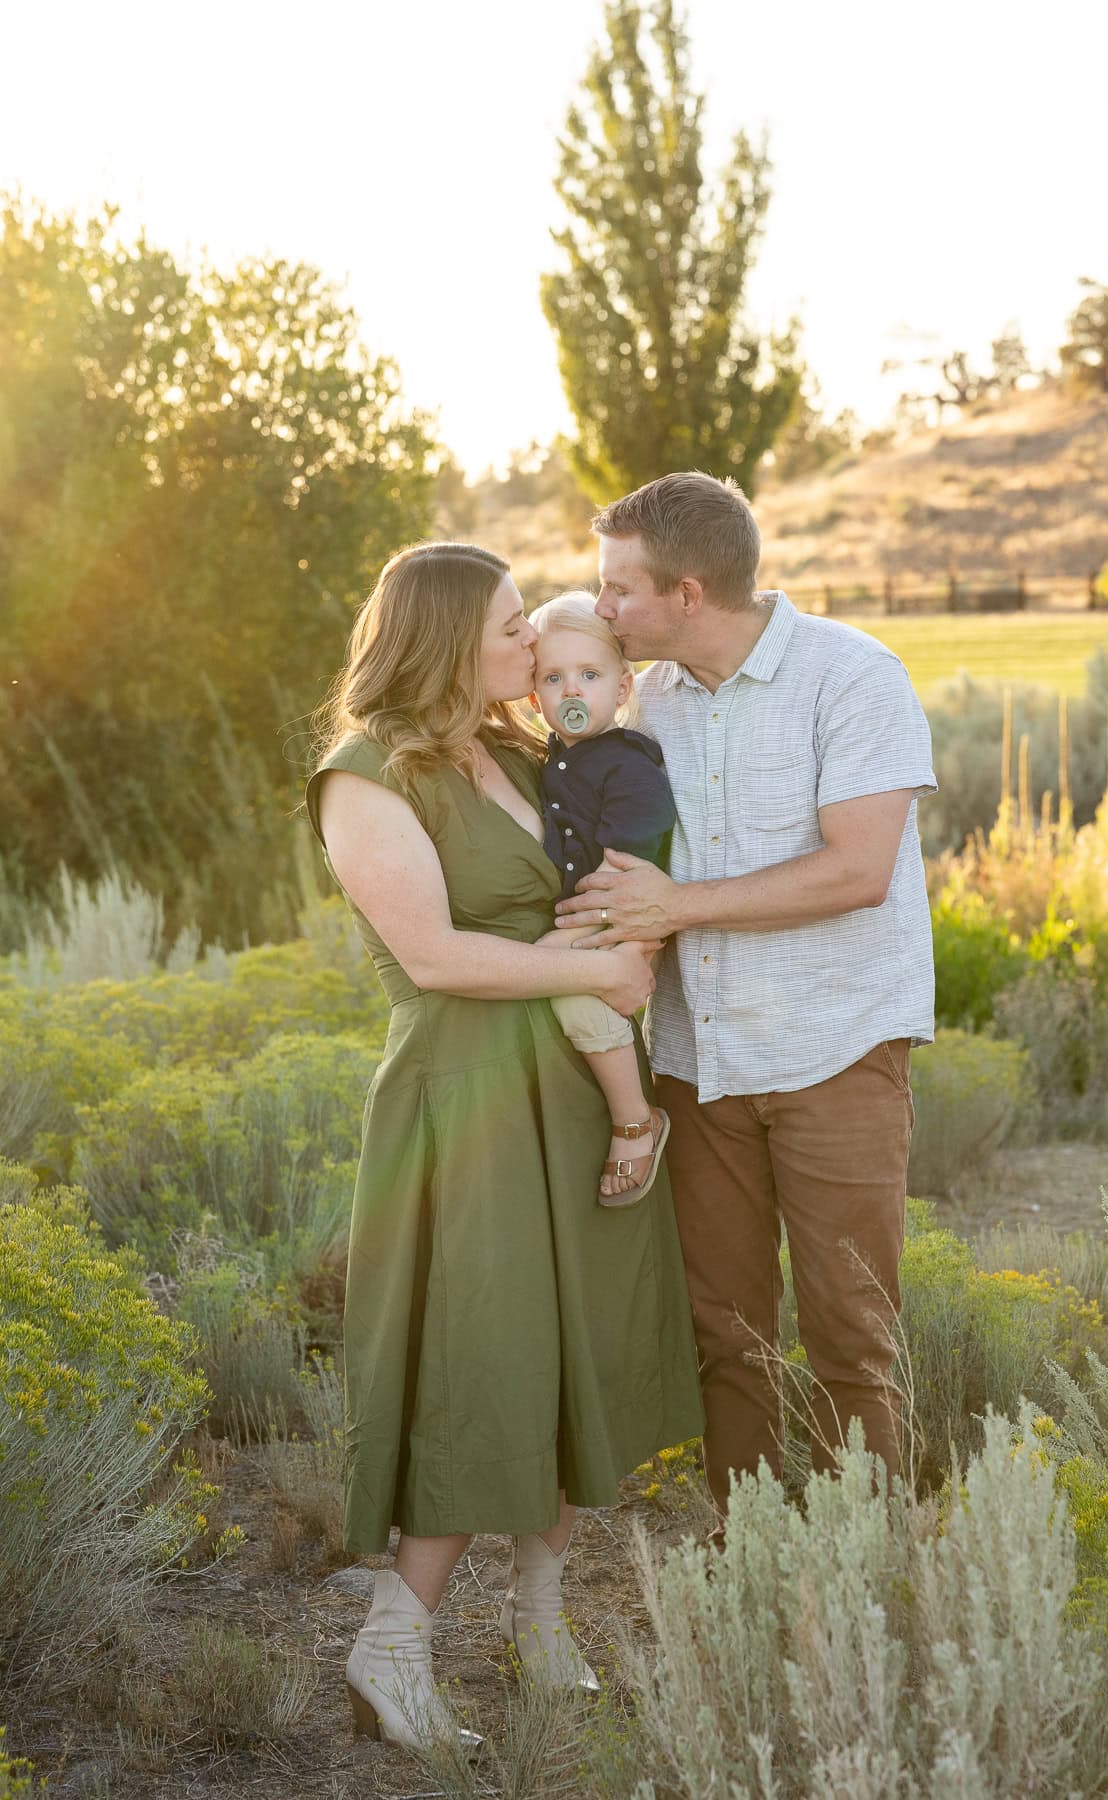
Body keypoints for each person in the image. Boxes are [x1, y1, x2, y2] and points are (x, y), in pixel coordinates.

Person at [305, 542, 704, 1749]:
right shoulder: (367, 775)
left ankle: (540, 1625)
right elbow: (431, 954)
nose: (535, 643)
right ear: (446, 638)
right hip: (465, 1097)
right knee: (481, 1370)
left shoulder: (528, 749)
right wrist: (593, 967)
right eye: (514, 623)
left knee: (576, 1361)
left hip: (576, 1092)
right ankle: (391, 1648)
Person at [555, 472, 936, 1516]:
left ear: (686, 593)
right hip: (698, 1064)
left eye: (618, 589)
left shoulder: (852, 678)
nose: (602, 610)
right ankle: (752, 1563)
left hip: (836, 1052)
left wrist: (678, 906)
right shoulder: (646, 703)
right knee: (726, 1336)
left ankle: (865, 1570)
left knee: (852, 1336)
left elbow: (859, 872)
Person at [527, 589, 676, 1204]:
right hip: (593, 916)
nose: (571, 691)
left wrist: (598, 937)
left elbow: (632, 858)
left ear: (621, 688)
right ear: (534, 696)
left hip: (622, 914)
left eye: (589, 675)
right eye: (553, 677)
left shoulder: (627, 763)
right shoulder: (556, 759)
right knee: (543, 980)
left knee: (564, 990)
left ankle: (634, 1120)